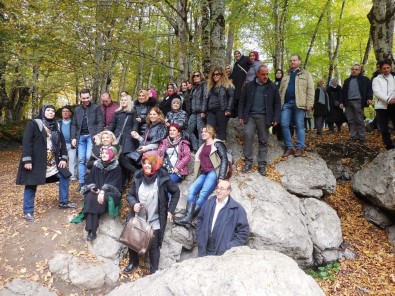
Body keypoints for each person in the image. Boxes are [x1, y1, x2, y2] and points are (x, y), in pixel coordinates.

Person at [16, 105, 76, 222]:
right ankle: (28, 211)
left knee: (65, 176)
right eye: (48, 110)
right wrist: (27, 160)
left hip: (52, 164)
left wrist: (63, 158)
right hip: (36, 163)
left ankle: (63, 202)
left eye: (53, 111)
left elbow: (62, 143)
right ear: (43, 112)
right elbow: (27, 142)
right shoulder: (34, 123)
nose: (51, 112)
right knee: (31, 185)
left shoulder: (56, 126)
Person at [123, 152, 180, 274]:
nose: (146, 166)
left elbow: (176, 193)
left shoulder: (163, 178)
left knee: (154, 245)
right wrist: (134, 204)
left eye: (150, 163)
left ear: (155, 164)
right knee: (132, 239)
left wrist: (170, 210)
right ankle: (133, 262)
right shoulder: (138, 177)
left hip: (155, 218)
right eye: (144, 163)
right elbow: (130, 195)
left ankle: (154, 271)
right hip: (138, 217)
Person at [175, 125, 228, 227]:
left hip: (213, 172)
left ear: (211, 133)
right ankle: (188, 218)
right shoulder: (202, 146)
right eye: (202, 132)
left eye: (205, 132)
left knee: (203, 194)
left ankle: (187, 218)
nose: (203, 133)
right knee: (192, 190)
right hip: (204, 172)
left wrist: (221, 177)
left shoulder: (217, 144)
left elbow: (224, 159)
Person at [238, 65, 281, 176]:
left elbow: (277, 103)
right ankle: (248, 162)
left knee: (263, 140)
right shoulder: (248, 86)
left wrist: (276, 117)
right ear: (257, 74)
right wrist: (241, 116)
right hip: (250, 116)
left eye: (267, 74)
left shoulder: (272, 87)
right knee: (248, 135)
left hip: (264, 117)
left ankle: (262, 164)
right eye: (263, 74)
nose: (266, 76)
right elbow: (242, 102)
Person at [195, 179, 249, 257]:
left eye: (222, 189)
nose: (218, 191)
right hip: (204, 249)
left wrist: (229, 247)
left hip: (223, 254)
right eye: (217, 188)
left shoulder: (237, 209)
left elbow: (243, 232)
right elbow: (199, 220)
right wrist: (200, 237)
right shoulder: (208, 203)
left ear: (228, 191)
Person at [80, 146, 122, 241]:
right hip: (97, 191)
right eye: (103, 153)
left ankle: (91, 230)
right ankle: (91, 230)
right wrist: (92, 188)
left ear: (112, 155)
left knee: (96, 200)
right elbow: (90, 179)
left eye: (107, 153)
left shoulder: (116, 167)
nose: (104, 155)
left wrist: (103, 191)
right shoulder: (97, 165)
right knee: (90, 197)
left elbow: (115, 185)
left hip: (110, 193)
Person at [279, 55, 314, 157]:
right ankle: (289, 147)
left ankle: (300, 148)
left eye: (294, 60)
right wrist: (280, 103)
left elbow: (310, 90)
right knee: (284, 124)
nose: (292, 62)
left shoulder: (306, 74)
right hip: (286, 104)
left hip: (300, 104)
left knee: (299, 125)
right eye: (291, 60)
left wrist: (310, 103)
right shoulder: (286, 76)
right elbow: (280, 91)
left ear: (299, 61)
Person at [71, 89, 105, 191]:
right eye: (83, 98)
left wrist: (98, 134)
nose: (86, 100)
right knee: (81, 159)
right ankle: (81, 182)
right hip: (80, 137)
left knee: (88, 158)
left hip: (92, 136)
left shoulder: (96, 107)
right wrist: (73, 137)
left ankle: (90, 181)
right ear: (81, 98)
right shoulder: (77, 109)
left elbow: (101, 122)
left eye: (87, 97)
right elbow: (74, 124)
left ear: (90, 97)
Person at [339, 64, 373, 144]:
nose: (354, 71)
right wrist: (341, 102)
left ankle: (362, 137)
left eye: (356, 69)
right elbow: (343, 92)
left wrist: (369, 98)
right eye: (353, 69)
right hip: (347, 102)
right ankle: (354, 137)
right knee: (350, 120)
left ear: (359, 71)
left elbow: (369, 89)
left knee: (359, 120)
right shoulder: (347, 81)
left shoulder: (365, 79)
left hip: (358, 101)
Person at [204, 66, 234, 141]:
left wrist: (228, 109)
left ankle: (221, 151)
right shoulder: (210, 86)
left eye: (217, 74)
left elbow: (231, 96)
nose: (215, 76)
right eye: (213, 75)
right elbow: (206, 99)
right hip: (211, 111)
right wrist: (204, 111)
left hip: (221, 110)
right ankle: (211, 150)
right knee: (209, 131)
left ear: (222, 75)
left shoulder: (227, 84)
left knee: (221, 131)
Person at [372, 60, 395, 150]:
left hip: (393, 105)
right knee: (384, 128)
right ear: (381, 69)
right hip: (381, 106)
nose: (386, 70)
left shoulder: (394, 77)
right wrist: (388, 99)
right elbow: (377, 92)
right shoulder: (376, 79)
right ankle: (389, 146)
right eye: (384, 68)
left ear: (391, 67)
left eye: (388, 67)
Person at [186, 71, 207, 152]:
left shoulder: (204, 85)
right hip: (194, 112)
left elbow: (205, 98)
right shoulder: (194, 88)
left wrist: (203, 111)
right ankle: (195, 147)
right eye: (194, 76)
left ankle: (200, 149)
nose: (195, 77)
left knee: (200, 131)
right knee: (189, 130)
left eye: (197, 75)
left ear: (201, 76)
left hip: (201, 112)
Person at [58, 105, 77, 181]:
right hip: (61, 145)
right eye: (63, 111)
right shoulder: (58, 122)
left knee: (72, 160)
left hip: (72, 144)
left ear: (70, 113)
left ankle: (72, 176)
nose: (65, 113)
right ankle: (61, 175)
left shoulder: (74, 122)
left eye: (67, 111)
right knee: (61, 161)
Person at [230, 50, 250, 118]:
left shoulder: (246, 58)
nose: (237, 55)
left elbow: (253, 63)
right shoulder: (235, 64)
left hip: (244, 84)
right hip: (237, 87)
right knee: (237, 102)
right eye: (235, 54)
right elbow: (233, 76)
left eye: (238, 53)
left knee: (243, 101)